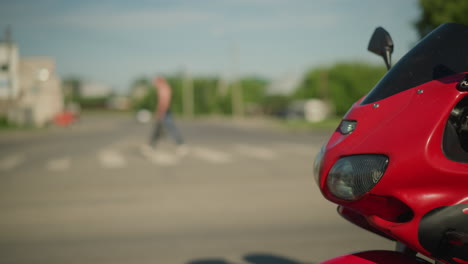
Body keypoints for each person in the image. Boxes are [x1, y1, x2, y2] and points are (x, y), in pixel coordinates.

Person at [149, 76, 186, 151]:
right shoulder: (164, 88)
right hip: (164, 112)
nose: (154, 84)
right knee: (159, 128)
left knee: (170, 128)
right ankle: (152, 145)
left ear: (159, 81)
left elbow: (164, 102)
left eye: (155, 82)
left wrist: (160, 113)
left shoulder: (163, 88)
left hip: (164, 112)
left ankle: (180, 144)